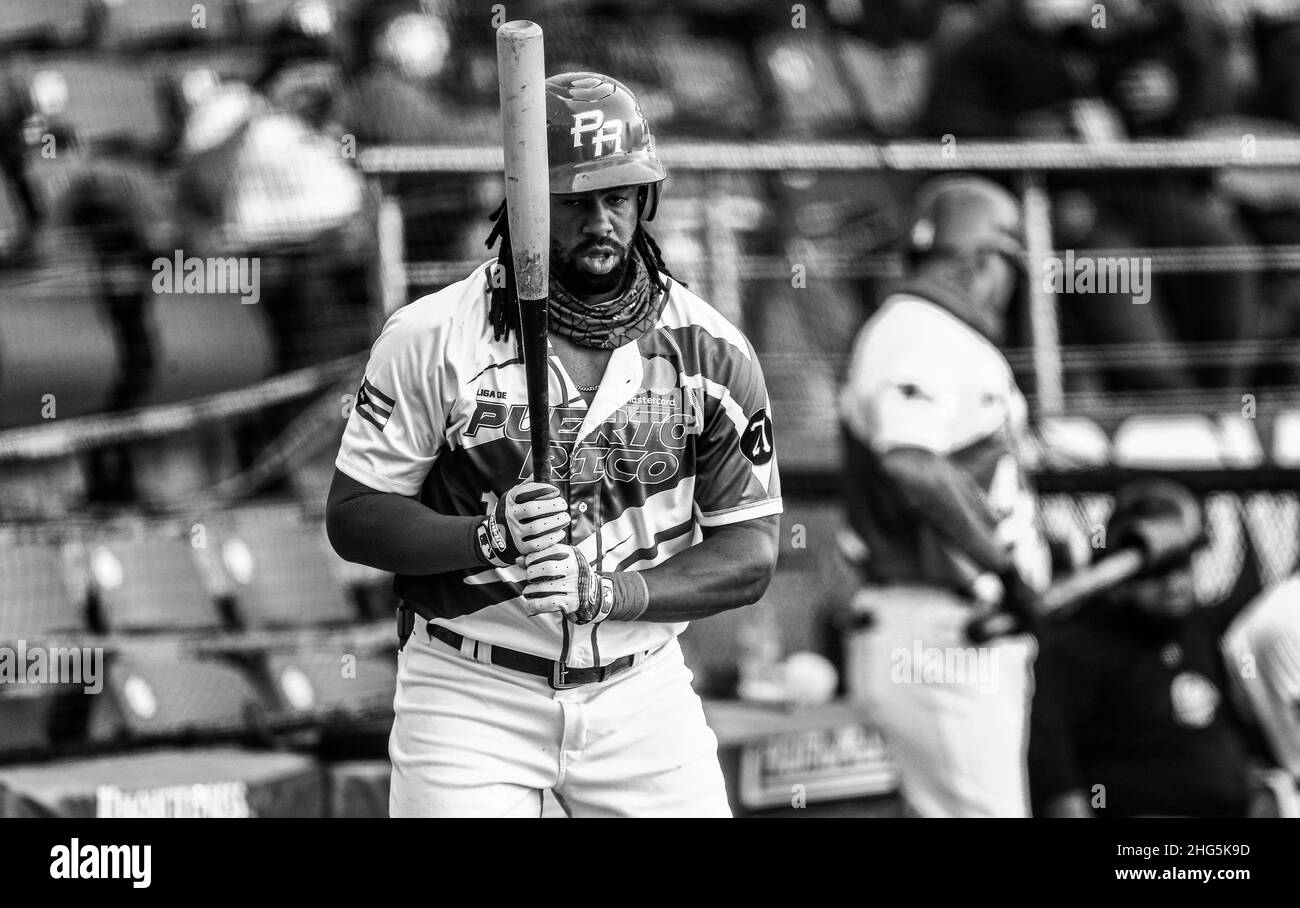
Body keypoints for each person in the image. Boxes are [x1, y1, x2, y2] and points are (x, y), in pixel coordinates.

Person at [325, 72, 782, 818]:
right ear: (525, 201)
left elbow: (749, 554)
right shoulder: (432, 337)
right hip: (472, 692)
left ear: (646, 200)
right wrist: (488, 535)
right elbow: (353, 517)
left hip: (642, 691)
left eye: (620, 196)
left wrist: (611, 594)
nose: (601, 221)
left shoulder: (711, 351)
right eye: (573, 201)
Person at [838, 175, 1051, 817]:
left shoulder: (936, 331)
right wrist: (1007, 571)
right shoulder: (917, 329)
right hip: (939, 631)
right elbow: (913, 466)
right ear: (986, 259)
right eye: (1007, 266)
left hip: (952, 631)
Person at [1028, 479, 1255, 818]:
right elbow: (1055, 772)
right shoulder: (1079, 645)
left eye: (1183, 565)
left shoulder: (1201, 629)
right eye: (1159, 570)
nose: (1174, 583)